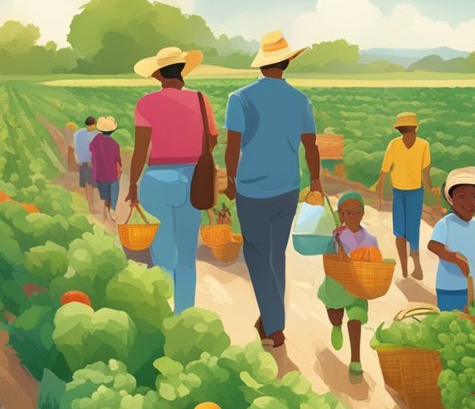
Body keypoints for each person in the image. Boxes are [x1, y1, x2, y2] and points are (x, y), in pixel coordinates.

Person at [224, 31, 322, 349]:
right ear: (286, 63)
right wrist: (317, 181)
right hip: (288, 188)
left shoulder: (240, 98)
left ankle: (274, 328)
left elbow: (233, 145)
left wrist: (230, 179)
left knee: (256, 254)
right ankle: (269, 316)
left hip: (253, 189)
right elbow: (311, 146)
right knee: (274, 255)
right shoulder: (300, 100)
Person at [126, 46, 217, 313]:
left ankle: (165, 314)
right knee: (187, 254)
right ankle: (185, 314)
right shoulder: (201, 99)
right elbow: (211, 140)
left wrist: (132, 186)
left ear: (158, 75)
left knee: (163, 253)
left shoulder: (146, 103)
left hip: (157, 180)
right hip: (193, 180)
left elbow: (141, 150)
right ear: (182, 71)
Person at [319, 192, 378, 377]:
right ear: (341, 215)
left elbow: (376, 262)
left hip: (358, 287)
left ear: (363, 213)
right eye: (348, 213)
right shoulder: (335, 237)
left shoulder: (371, 239)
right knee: (335, 316)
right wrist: (333, 240)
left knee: (355, 319)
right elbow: (327, 261)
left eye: (357, 211)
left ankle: (355, 359)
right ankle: (336, 326)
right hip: (337, 286)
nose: (353, 216)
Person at [373, 112, 438, 280]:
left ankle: (407, 268)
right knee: (410, 231)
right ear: (415, 127)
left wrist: (379, 190)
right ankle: (413, 267)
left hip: (407, 192)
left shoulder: (397, 144)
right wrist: (431, 188)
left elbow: (384, 170)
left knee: (400, 232)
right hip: (409, 192)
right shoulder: (422, 144)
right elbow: (425, 172)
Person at [427, 166, 475, 312]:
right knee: (452, 325)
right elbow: (433, 246)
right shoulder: (446, 223)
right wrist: (454, 257)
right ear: (451, 199)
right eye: (462, 196)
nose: (469, 202)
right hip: (451, 287)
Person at [89, 116, 122, 220]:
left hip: (99, 174)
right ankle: (112, 208)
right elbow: (117, 161)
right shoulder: (115, 144)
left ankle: (107, 206)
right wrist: (119, 171)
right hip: (111, 174)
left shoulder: (95, 141)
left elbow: (90, 149)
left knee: (105, 193)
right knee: (115, 186)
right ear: (112, 130)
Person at [73, 116, 97, 205]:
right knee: (91, 183)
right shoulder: (97, 134)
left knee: (87, 183)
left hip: (83, 162)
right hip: (93, 163)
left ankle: (89, 202)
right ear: (95, 124)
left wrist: (78, 160)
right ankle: (90, 203)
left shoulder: (79, 133)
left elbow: (77, 148)